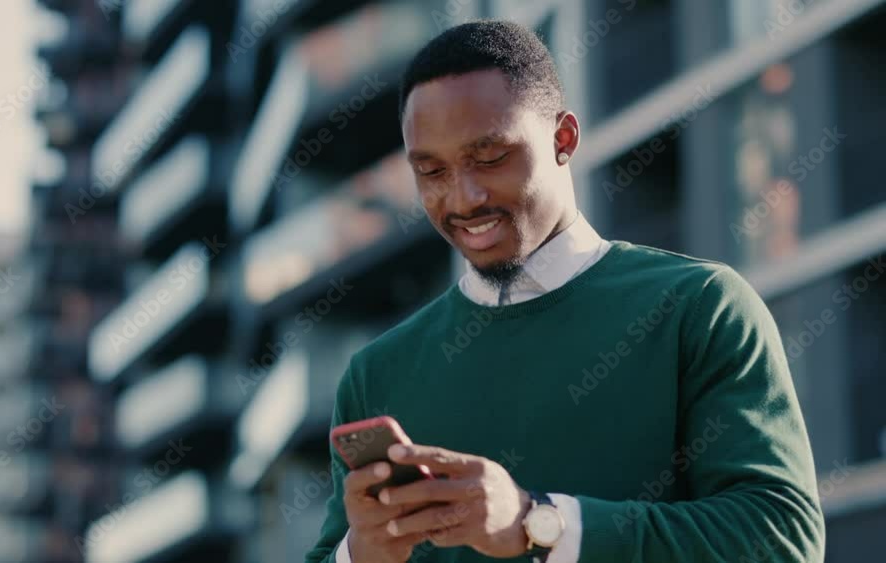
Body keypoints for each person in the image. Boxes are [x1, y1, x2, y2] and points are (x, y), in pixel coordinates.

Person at [305, 20, 824, 563]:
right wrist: (361, 551)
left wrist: (536, 523)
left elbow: (781, 540)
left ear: (563, 139)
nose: (463, 198)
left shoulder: (701, 307)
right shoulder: (375, 374)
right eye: (432, 170)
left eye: (489, 158)